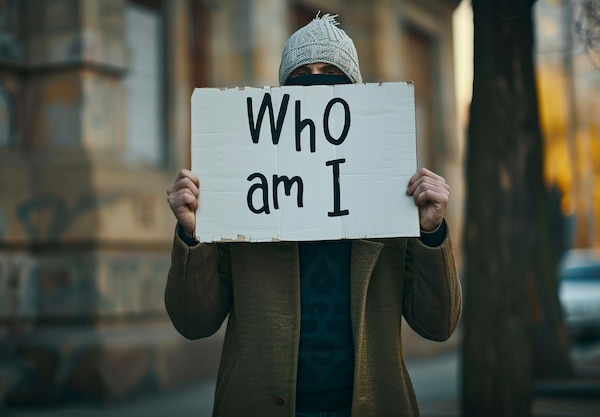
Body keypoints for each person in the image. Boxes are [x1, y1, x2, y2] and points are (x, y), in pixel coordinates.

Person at [165, 13, 462, 417]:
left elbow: (438, 325)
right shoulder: (242, 197)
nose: (315, 81)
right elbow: (192, 322)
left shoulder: (392, 197)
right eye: (302, 74)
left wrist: (431, 234)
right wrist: (192, 237)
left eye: (330, 72)